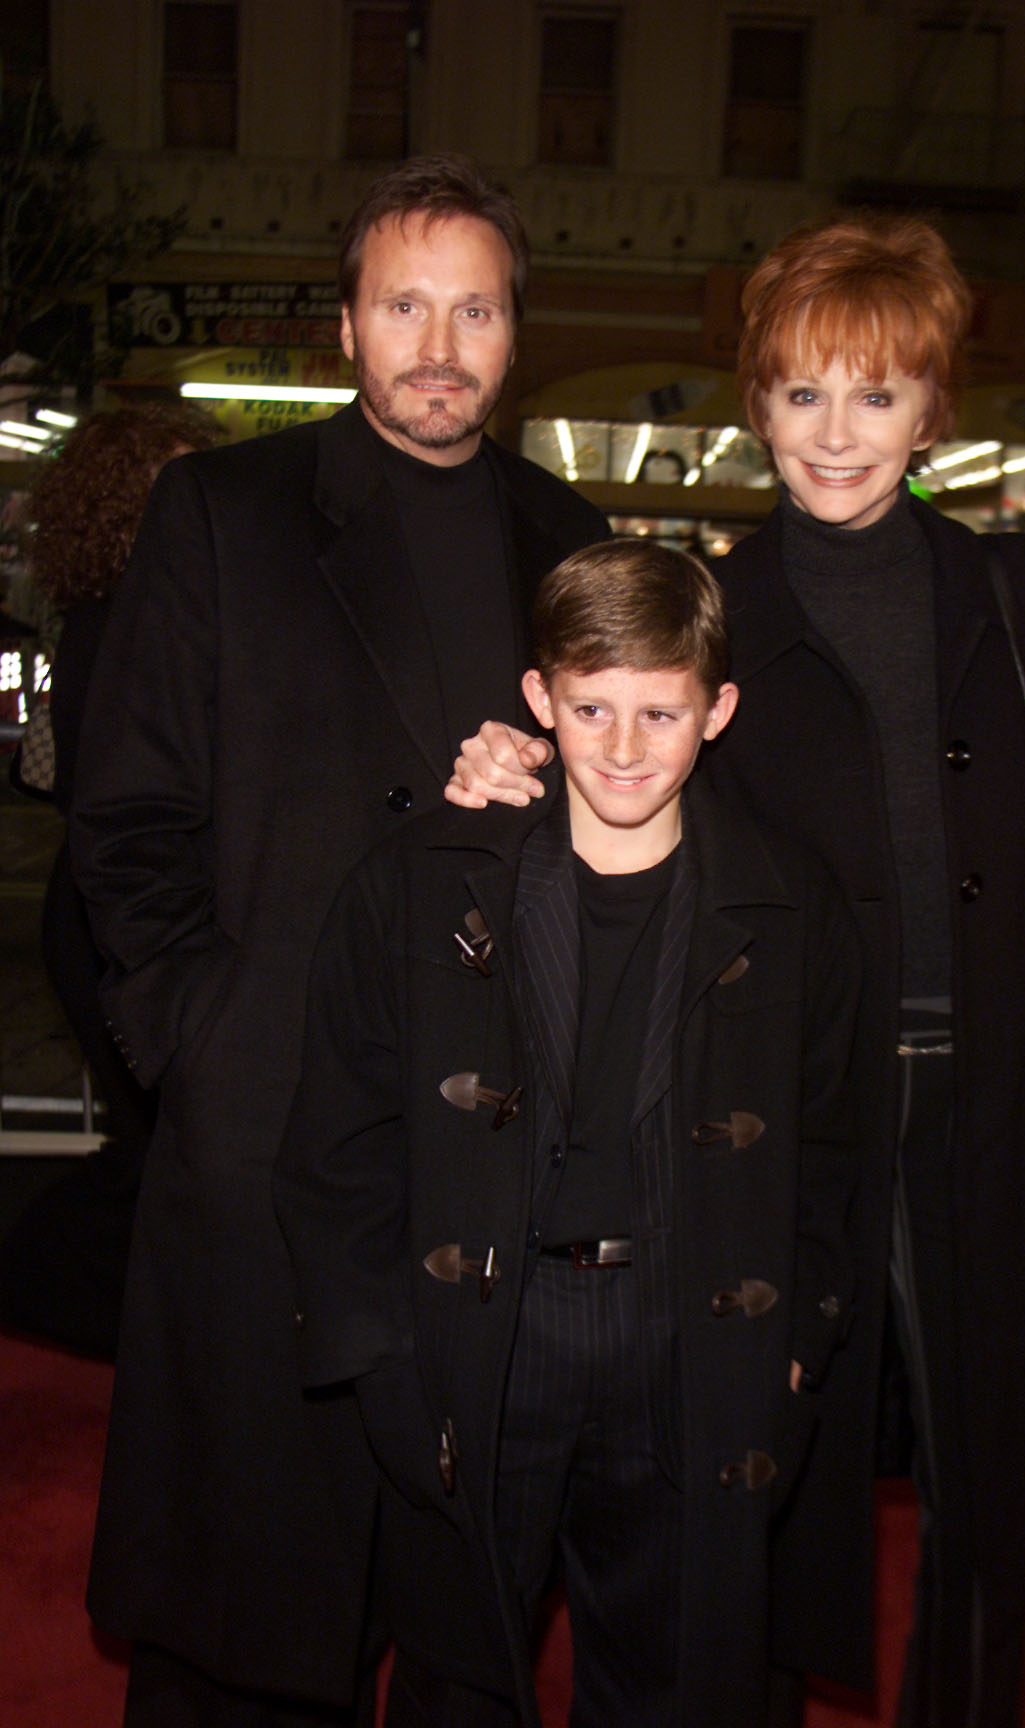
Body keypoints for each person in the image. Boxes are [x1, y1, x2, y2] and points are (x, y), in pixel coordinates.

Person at [446, 214, 1025, 1728]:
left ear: (930, 410)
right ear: (757, 406)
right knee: (765, 1460)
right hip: (776, 1104)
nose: (839, 435)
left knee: (981, 1483)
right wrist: (508, 759)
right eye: (805, 395)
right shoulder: (715, 607)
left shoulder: (1021, 590)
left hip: (980, 1091)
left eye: (877, 396)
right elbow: (618, 766)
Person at [68, 155, 608, 1727]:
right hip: (269, 1134)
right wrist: (201, 1042)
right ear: (347, 326)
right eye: (404, 305)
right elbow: (129, 821)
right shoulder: (223, 514)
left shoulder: (572, 545)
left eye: (477, 308)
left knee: (452, 1613)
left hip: (491, 1159)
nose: (439, 343)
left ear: (517, 333)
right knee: (240, 1619)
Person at [274, 539, 861, 1727]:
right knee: (456, 1676)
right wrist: (381, 1356)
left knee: (678, 1683)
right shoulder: (422, 883)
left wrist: (796, 1343)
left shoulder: (791, 903)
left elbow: (837, 1144)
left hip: (689, 1337)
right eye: (592, 707)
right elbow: (339, 1140)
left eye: (662, 710)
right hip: (486, 1335)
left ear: (720, 710)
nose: (628, 747)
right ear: (538, 700)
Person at [1, 405, 216, 1359]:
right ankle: (59, 1298)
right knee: (159, 1157)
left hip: (102, 918)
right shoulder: (123, 623)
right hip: (110, 926)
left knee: (155, 1151)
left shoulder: (133, 614)